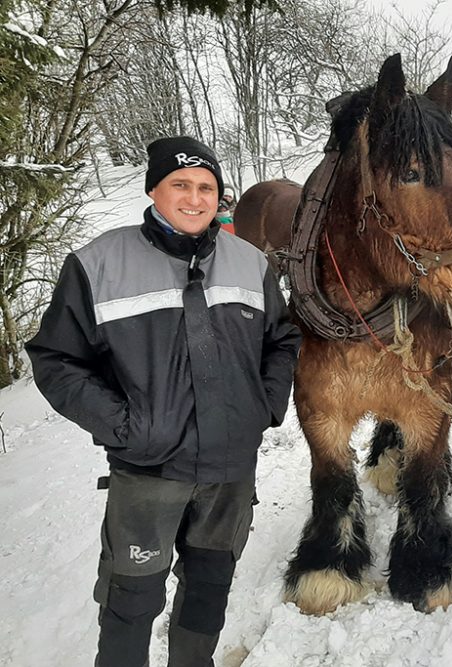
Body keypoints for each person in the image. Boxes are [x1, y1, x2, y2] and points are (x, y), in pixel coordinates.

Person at [26, 136, 302, 665]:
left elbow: (282, 341)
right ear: (154, 189)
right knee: (131, 600)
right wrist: (125, 425)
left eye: (207, 187)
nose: (195, 198)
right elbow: (56, 360)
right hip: (147, 475)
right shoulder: (98, 263)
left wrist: (262, 406)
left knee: (206, 595)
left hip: (229, 474)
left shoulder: (250, 262)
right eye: (180, 185)